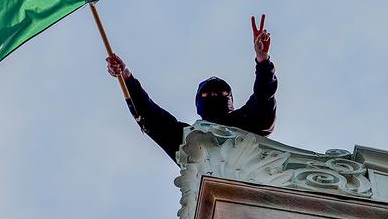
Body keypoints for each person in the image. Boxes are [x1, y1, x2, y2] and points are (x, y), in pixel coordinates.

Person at [106, 14, 278, 161]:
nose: (214, 96)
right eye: (208, 94)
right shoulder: (190, 139)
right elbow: (150, 115)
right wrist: (126, 77)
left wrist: (263, 61)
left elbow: (263, 97)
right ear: (199, 103)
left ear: (230, 99)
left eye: (220, 93)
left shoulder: (246, 121)